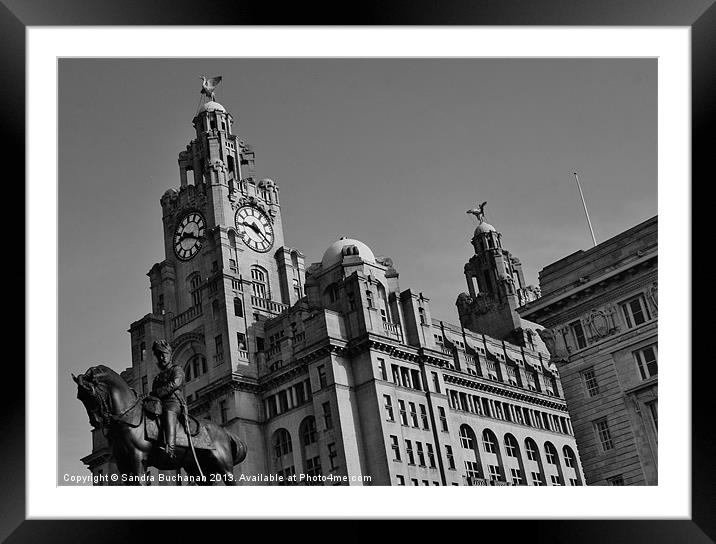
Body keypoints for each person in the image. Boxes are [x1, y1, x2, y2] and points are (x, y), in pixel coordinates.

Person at [150, 340, 185, 461]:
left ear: (170, 355)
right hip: (160, 404)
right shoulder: (157, 378)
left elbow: (175, 383)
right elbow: (154, 394)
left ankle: (170, 449)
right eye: (159, 355)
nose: (161, 357)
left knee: (168, 413)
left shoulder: (177, 369)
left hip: (173, 403)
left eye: (164, 354)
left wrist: (157, 392)